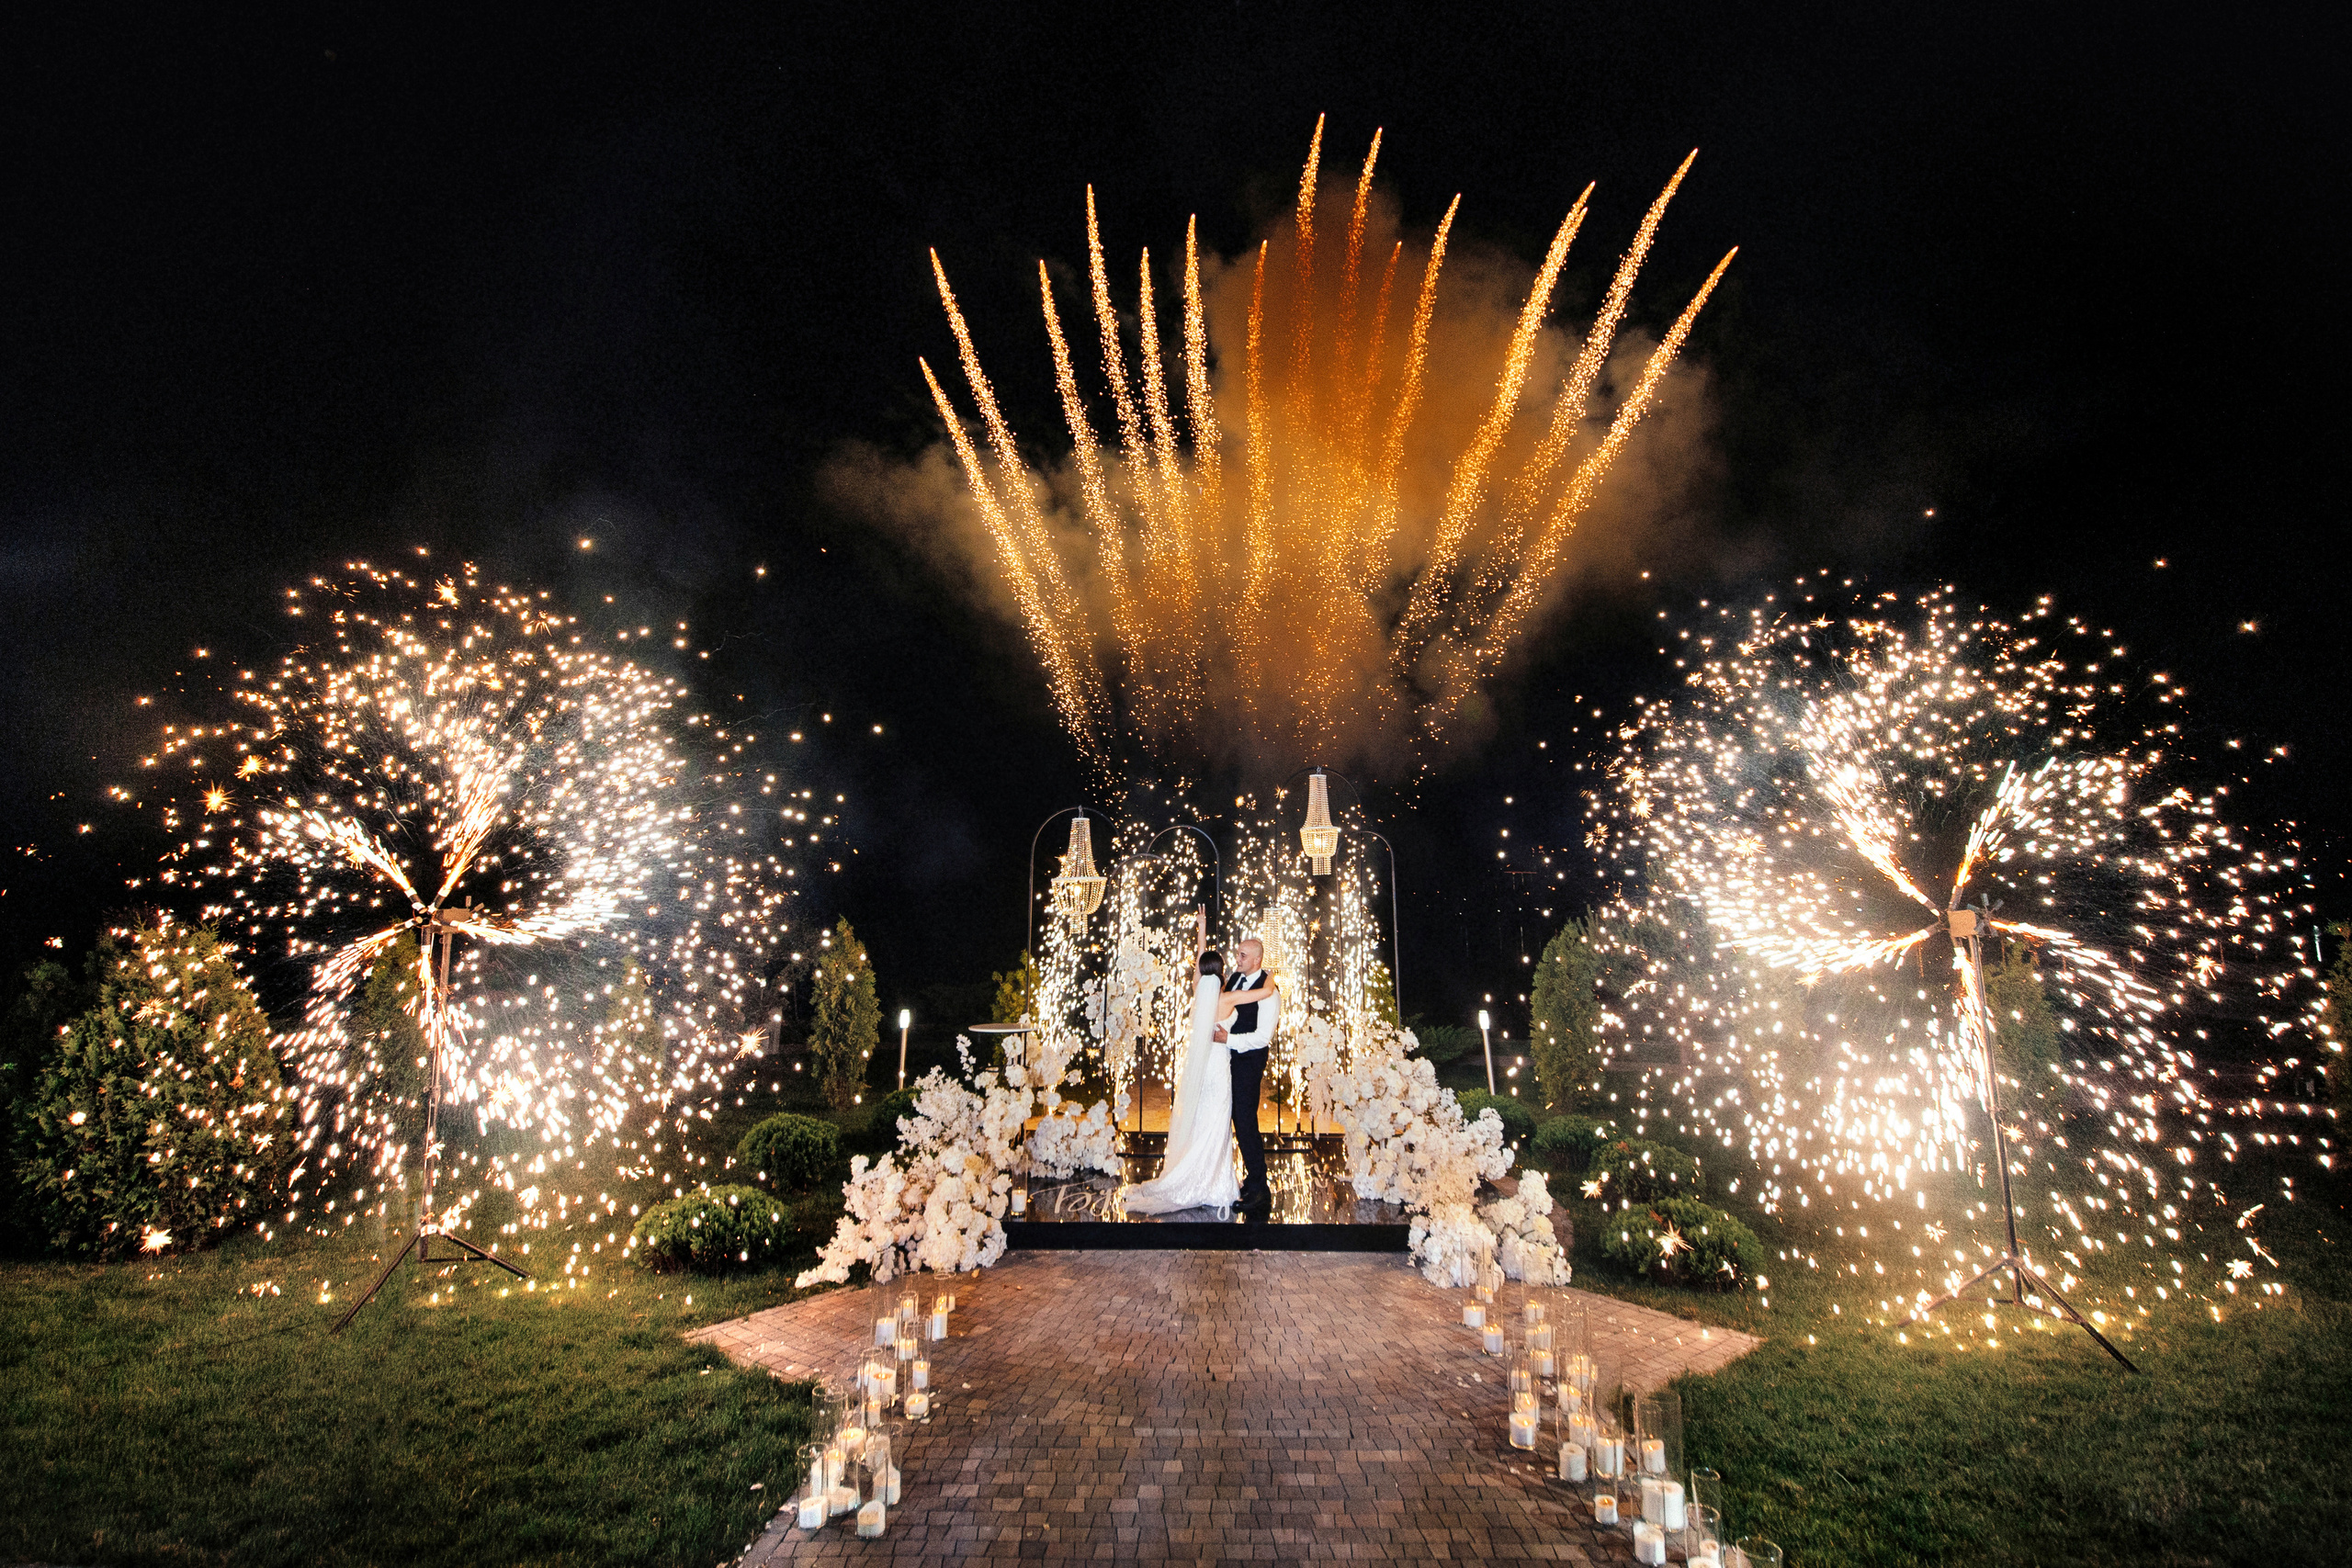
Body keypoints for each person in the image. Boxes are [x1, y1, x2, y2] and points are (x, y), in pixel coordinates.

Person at [1216, 937, 1280, 1213]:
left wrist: (1228, 1039)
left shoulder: (1270, 993)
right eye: (1238, 953)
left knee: (1245, 1120)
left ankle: (1260, 1188)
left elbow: (1263, 1037)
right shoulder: (1235, 981)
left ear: (1257, 960)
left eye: (1243, 955)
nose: (1237, 958)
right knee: (1234, 1118)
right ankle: (1250, 1181)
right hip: (1229, 1058)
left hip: (1249, 1060)